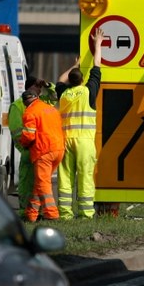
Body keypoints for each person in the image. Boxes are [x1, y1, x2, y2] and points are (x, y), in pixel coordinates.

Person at [55, 27, 104, 219]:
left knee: (65, 177)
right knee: (85, 177)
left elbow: (60, 79)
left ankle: (65, 213)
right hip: (84, 141)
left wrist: (74, 65)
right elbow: (97, 66)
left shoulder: (64, 94)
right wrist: (98, 44)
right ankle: (85, 212)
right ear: (83, 79)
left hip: (65, 141)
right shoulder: (88, 92)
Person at [8, 75, 57, 218]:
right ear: (30, 87)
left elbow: (54, 96)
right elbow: (17, 131)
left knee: (40, 183)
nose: (40, 89)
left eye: (41, 87)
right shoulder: (18, 105)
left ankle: (38, 212)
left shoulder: (40, 102)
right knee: (27, 182)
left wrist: (47, 84)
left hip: (42, 151)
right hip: (29, 150)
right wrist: (25, 149)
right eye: (37, 86)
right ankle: (25, 211)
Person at [19, 90, 65, 222]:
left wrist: (23, 143)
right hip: (58, 149)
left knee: (43, 183)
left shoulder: (30, 112)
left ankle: (51, 214)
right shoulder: (50, 109)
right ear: (37, 97)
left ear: (24, 102)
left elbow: (28, 135)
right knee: (40, 182)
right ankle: (31, 214)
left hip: (43, 151)